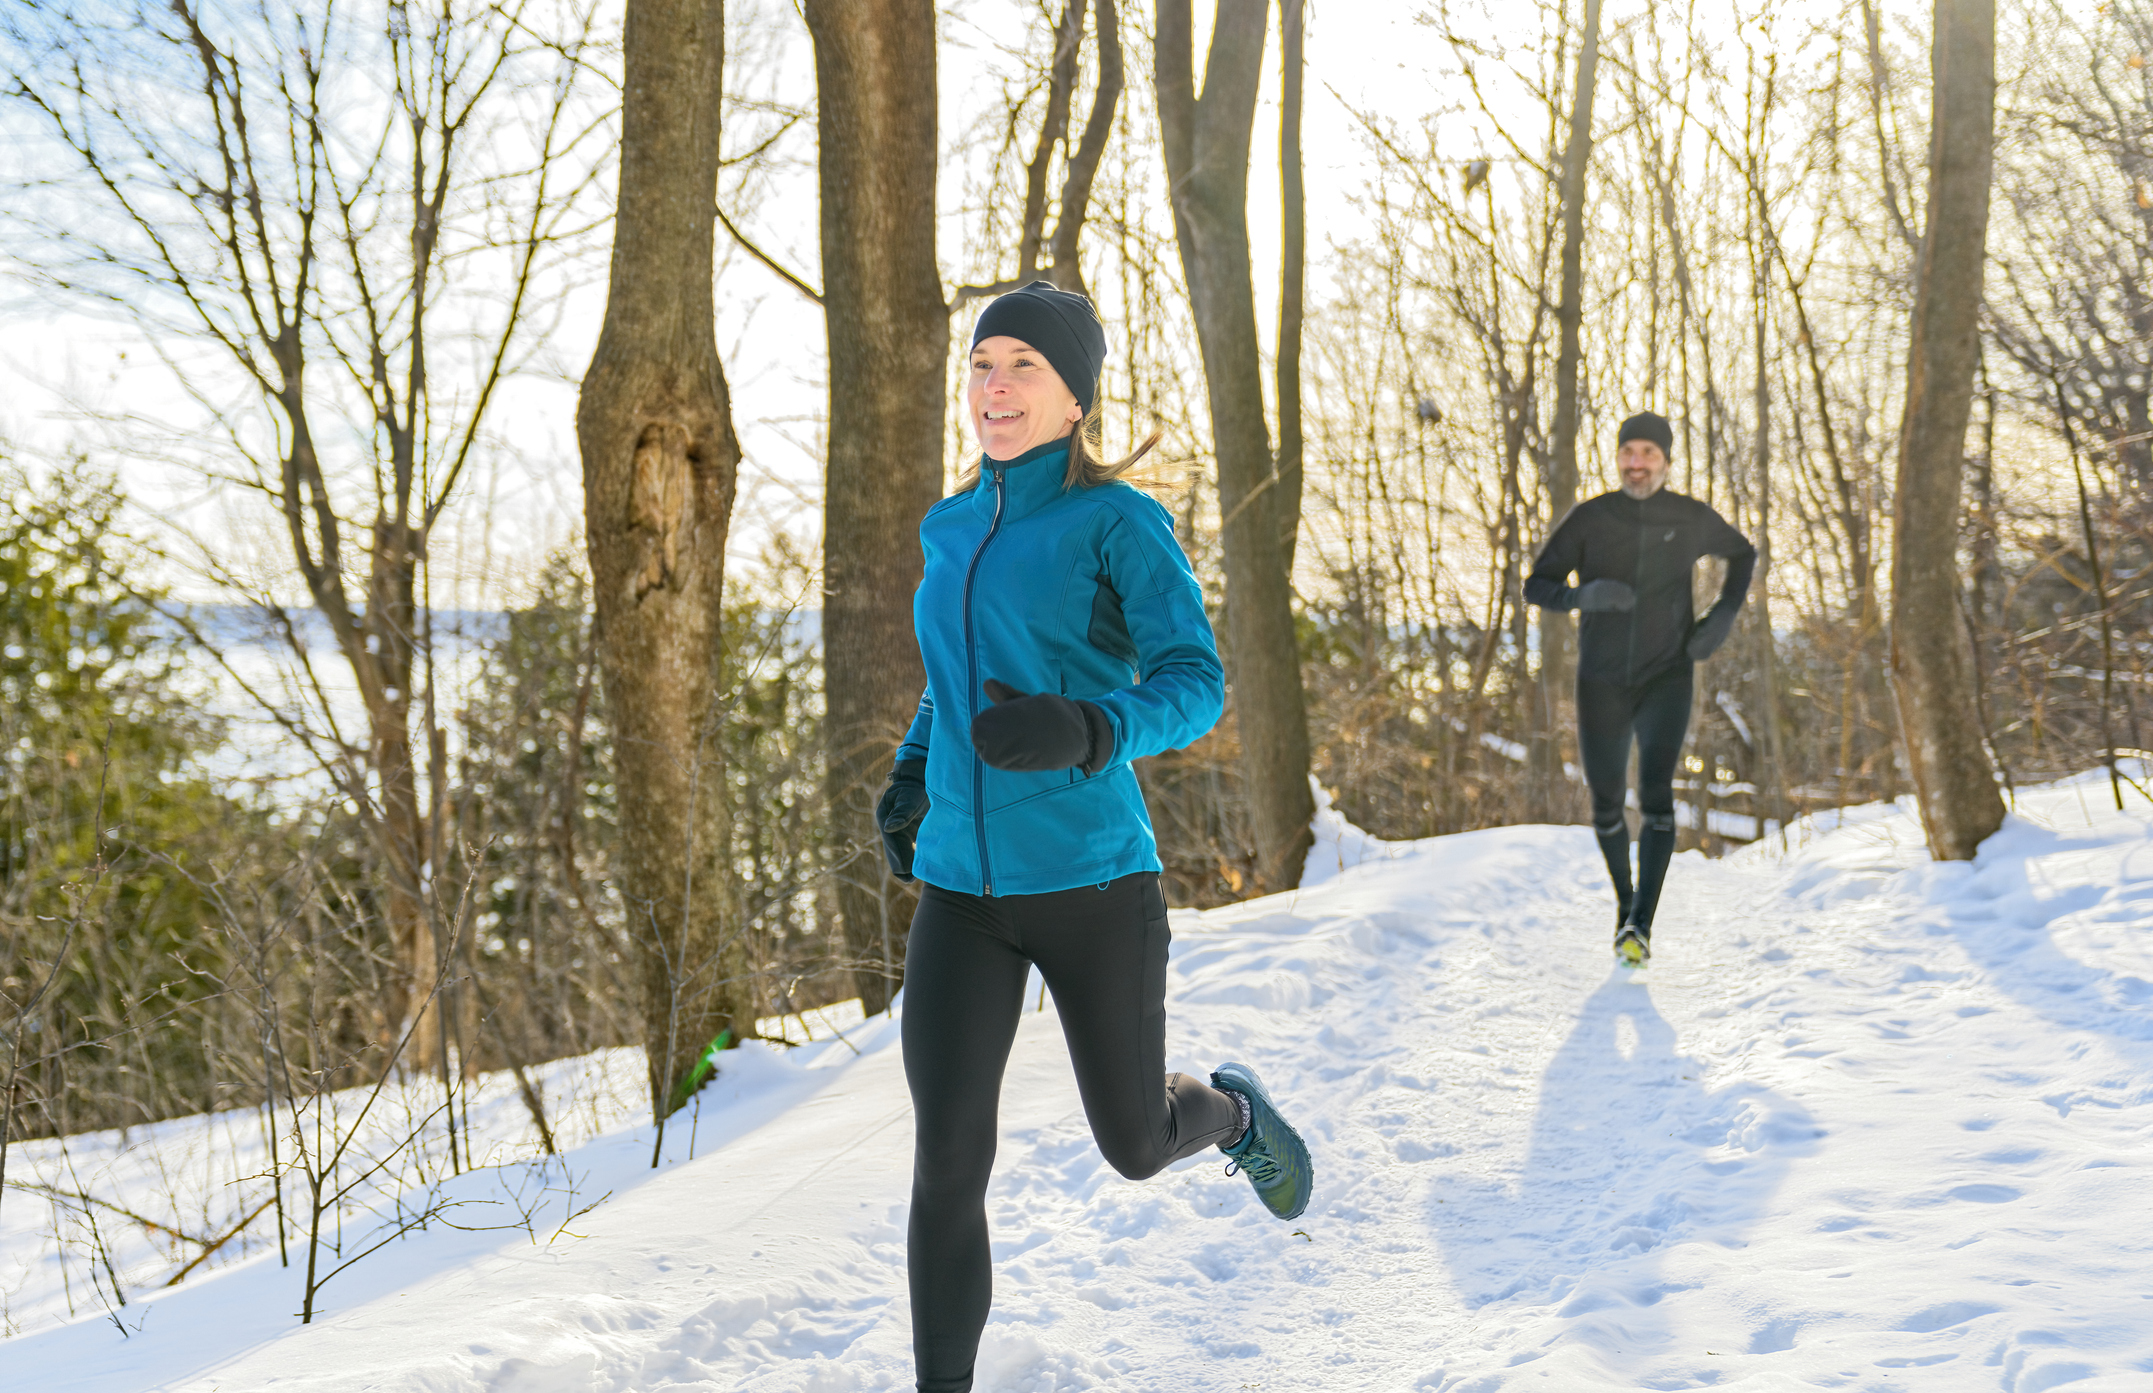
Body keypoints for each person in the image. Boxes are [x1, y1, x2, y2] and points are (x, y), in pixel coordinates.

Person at [874, 280, 1314, 1393]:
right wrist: (913, 771)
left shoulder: (1114, 523)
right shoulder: (949, 524)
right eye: (982, 365)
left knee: (1131, 1143)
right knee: (944, 1160)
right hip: (961, 896)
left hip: (1091, 884)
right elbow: (948, 684)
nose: (994, 386)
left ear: (1075, 398)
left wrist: (1086, 727)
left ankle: (1227, 1110)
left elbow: (1194, 684)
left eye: (1024, 365)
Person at [1525, 411, 1756, 965]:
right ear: (1618, 457)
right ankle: (1626, 905)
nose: (1637, 464)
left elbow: (1742, 555)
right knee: (1605, 802)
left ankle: (1641, 925)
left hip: (1667, 674)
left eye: (1649, 454)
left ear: (1666, 462)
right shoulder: (1591, 518)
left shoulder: (1688, 516)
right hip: (1600, 679)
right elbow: (1537, 585)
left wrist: (1719, 619)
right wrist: (1585, 597)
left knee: (1655, 793)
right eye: (1629, 452)